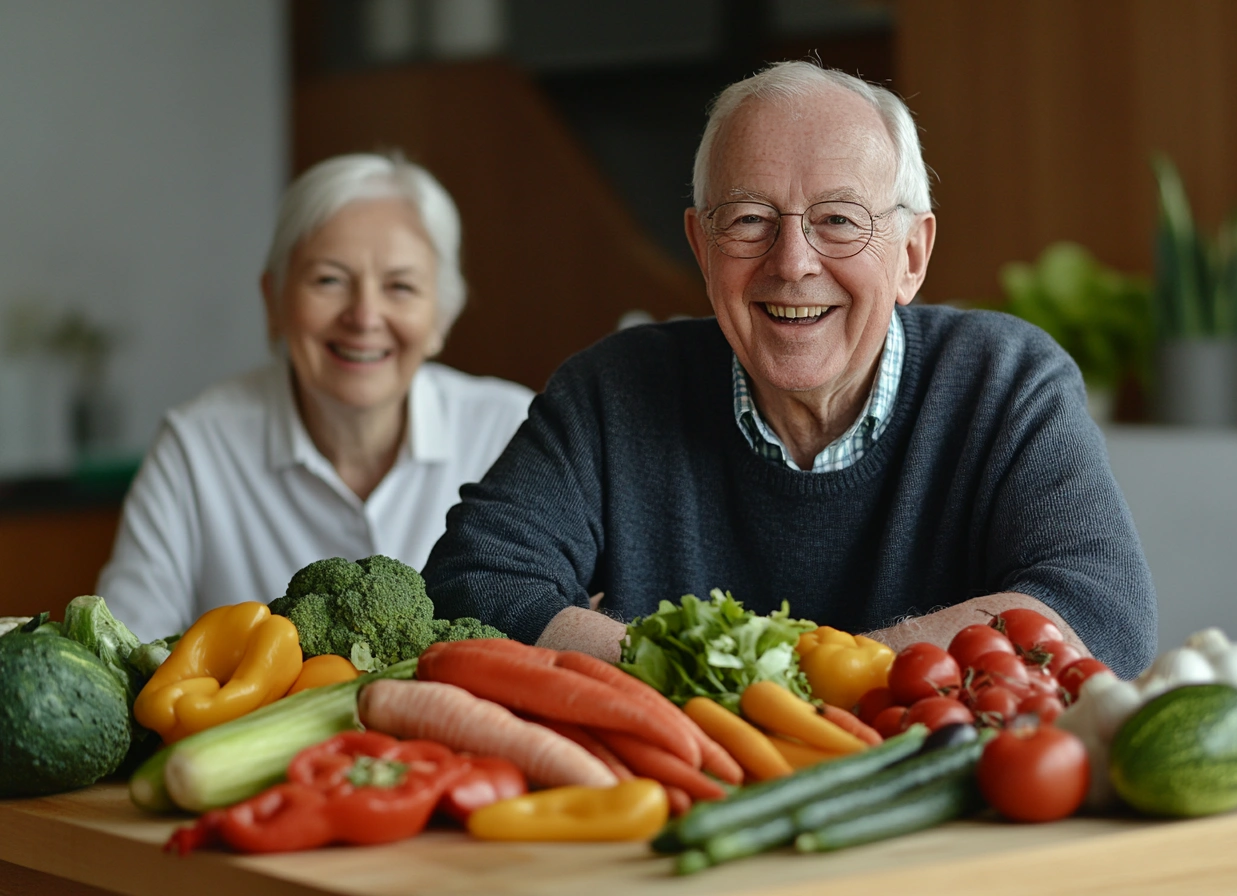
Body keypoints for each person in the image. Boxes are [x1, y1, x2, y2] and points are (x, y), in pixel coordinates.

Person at [422, 62, 1158, 678]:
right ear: (701, 248)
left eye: (839, 220)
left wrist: (792, 680)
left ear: (911, 255)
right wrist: (724, 680)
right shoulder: (608, 391)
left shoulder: (1006, 380)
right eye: (749, 219)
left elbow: (1099, 613)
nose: (793, 262)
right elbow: (471, 583)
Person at [99, 153, 533, 640]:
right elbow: (124, 643)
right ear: (274, 301)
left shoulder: (512, 430)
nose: (364, 316)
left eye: (400, 286)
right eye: (329, 280)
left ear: (442, 316)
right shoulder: (196, 445)